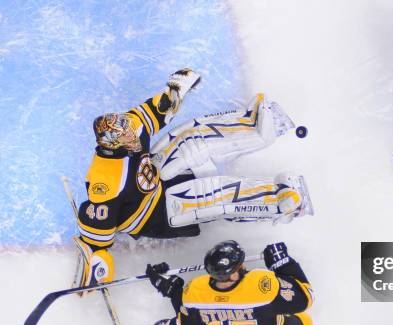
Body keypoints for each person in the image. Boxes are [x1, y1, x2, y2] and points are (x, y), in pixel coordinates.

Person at [73, 69, 312, 291]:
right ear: (112, 144)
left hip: (154, 179)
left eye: (129, 130)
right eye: (126, 137)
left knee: (191, 140)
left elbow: (153, 113)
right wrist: (96, 265)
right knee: (209, 194)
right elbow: (96, 237)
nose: (133, 136)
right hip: (152, 215)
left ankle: (253, 126)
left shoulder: (129, 127)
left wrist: (174, 91)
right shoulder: (104, 183)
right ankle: (282, 203)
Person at [137, 240, 313, 325]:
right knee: (306, 321)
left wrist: (173, 290)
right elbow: (307, 297)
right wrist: (283, 263)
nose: (243, 265)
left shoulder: (196, 293)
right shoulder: (262, 283)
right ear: (234, 273)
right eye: (240, 265)